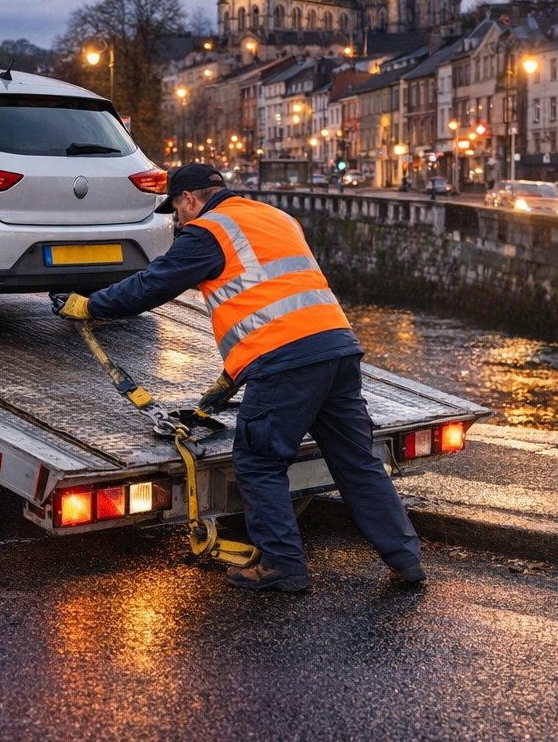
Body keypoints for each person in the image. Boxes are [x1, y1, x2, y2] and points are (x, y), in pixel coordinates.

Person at [52, 163, 425, 593]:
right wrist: (232, 375)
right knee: (357, 463)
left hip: (285, 359)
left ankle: (283, 565)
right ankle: (406, 560)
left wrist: (90, 306)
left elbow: (152, 285)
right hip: (337, 348)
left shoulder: (208, 230)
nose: (178, 220)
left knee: (259, 461)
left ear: (189, 198)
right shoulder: (276, 217)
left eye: (176, 209)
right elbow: (270, 291)